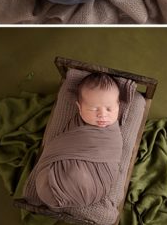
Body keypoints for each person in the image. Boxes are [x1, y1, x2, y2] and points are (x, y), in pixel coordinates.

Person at [31, 72, 124, 209]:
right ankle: (67, 188)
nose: (102, 115)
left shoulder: (112, 135)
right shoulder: (76, 125)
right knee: (69, 173)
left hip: (95, 183)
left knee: (80, 176)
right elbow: (62, 147)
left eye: (109, 109)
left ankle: (73, 190)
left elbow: (113, 152)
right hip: (55, 182)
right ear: (79, 108)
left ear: (118, 106)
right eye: (93, 109)